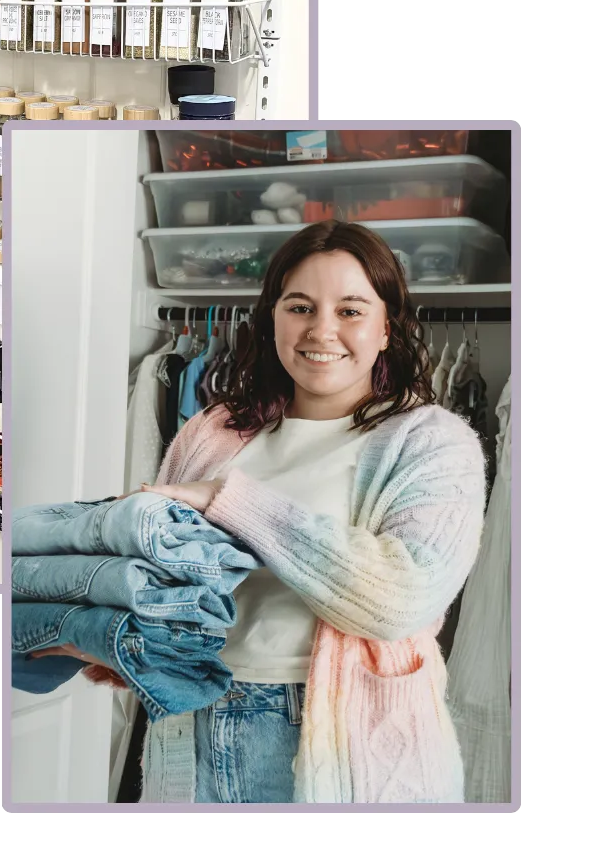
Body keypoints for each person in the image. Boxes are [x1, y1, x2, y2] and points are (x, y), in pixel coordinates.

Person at [34, 220, 486, 804]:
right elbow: (161, 581)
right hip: (193, 714)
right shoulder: (214, 430)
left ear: (386, 328)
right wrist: (110, 644)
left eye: (351, 310)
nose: (322, 329)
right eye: (299, 306)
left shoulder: (432, 441)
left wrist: (227, 499)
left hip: (334, 738)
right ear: (272, 316)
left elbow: (401, 598)